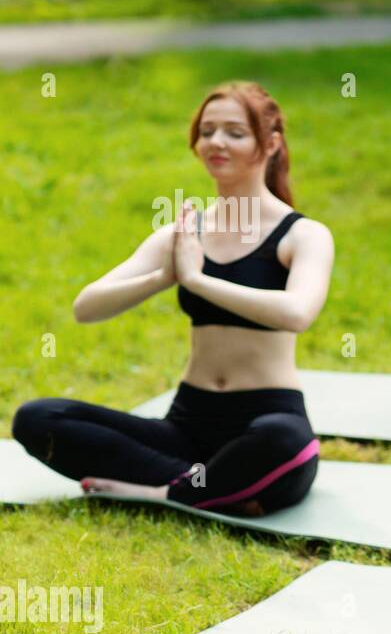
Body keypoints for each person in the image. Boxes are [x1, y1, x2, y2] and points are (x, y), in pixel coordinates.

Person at [11, 82, 334, 516]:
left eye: (235, 133)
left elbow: (298, 313)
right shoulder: (183, 234)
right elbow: (86, 307)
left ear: (271, 143)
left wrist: (198, 282)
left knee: (283, 442)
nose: (216, 142)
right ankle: (213, 484)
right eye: (207, 131)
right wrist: (165, 276)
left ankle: (161, 492)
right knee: (38, 418)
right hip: (187, 425)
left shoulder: (303, 235)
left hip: (265, 418)